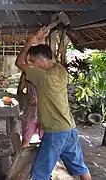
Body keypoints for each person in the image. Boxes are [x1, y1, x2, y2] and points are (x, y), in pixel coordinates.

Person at [15, 28, 92, 180]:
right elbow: (47, 56)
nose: (31, 64)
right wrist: (39, 43)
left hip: (55, 130)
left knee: (39, 173)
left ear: (41, 61)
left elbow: (19, 62)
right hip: (69, 127)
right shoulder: (60, 70)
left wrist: (29, 43)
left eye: (33, 60)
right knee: (79, 166)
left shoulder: (42, 77)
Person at [19, 58, 43, 148]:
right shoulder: (26, 73)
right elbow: (20, 91)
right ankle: (22, 161)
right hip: (30, 111)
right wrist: (27, 97)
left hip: (45, 112)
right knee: (25, 140)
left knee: (45, 142)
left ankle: (41, 161)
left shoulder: (47, 73)